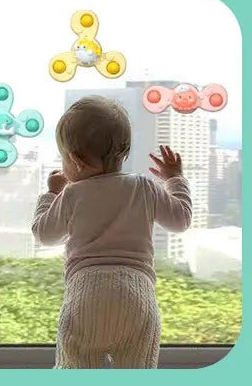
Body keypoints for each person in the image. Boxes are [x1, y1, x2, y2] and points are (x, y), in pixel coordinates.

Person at [32, 96, 191, 368]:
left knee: (77, 370)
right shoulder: (144, 187)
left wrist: (51, 193)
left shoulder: (71, 194)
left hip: (86, 295)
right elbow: (181, 220)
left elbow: (44, 234)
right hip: (137, 295)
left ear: (75, 160)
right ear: (125, 152)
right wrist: (175, 179)